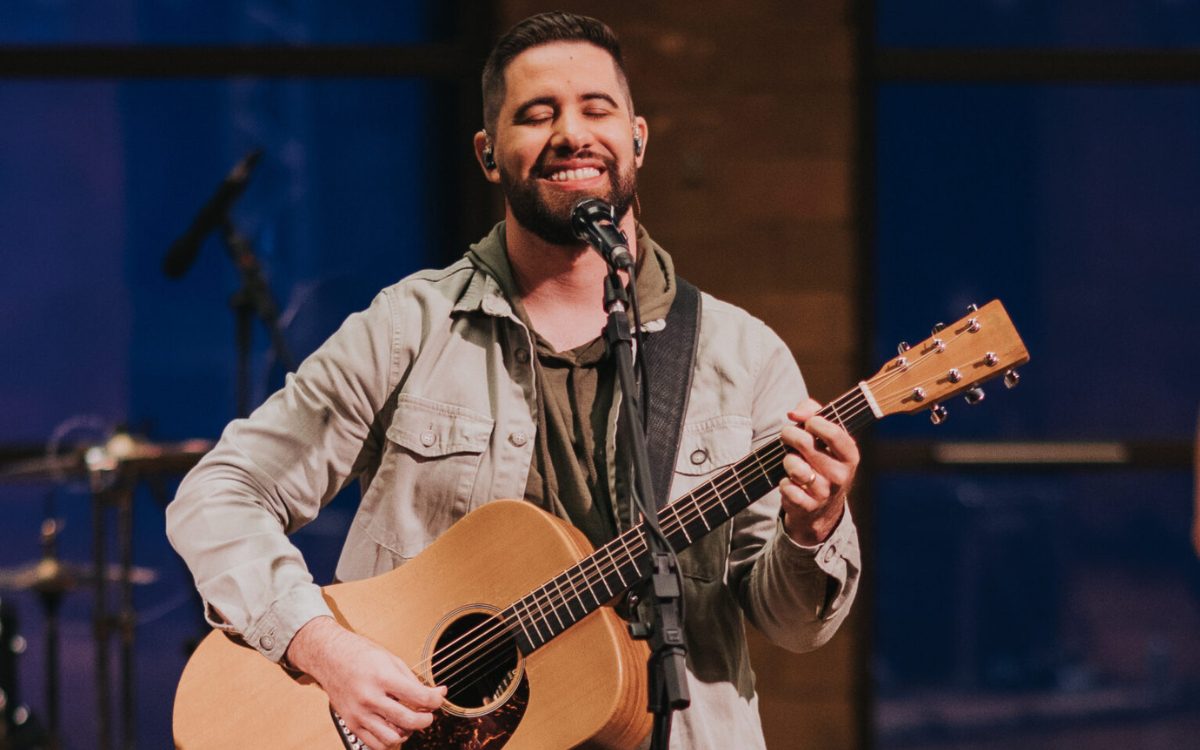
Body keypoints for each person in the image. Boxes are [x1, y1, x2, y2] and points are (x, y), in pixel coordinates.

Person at [167, 11, 861, 749]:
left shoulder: (742, 356)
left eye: (596, 108)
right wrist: (323, 647)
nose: (571, 133)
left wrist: (811, 529)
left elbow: (794, 626)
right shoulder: (410, 327)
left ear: (638, 139)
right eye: (537, 114)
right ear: (488, 154)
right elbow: (219, 493)